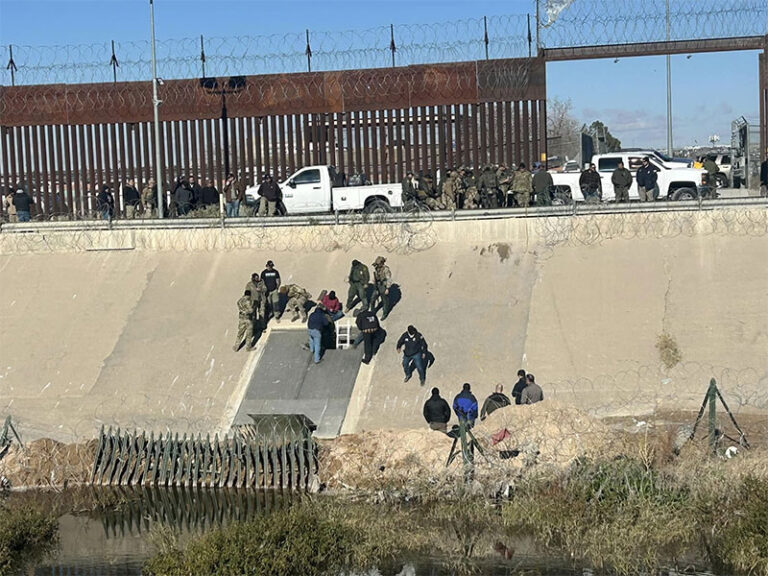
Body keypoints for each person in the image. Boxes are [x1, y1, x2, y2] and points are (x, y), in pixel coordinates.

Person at [371, 256, 392, 320]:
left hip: (383, 286)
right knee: (372, 299)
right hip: (377, 285)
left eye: (378, 264)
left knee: (384, 301)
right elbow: (376, 275)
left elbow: (389, 279)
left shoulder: (386, 269)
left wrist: (387, 288)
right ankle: (372, 312)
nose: (376, 265)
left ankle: (385, 313)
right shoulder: (377, 267)